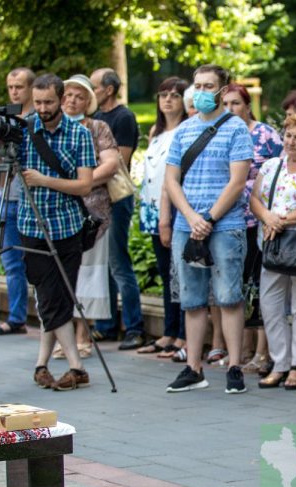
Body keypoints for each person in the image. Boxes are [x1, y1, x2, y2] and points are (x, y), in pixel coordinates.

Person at [164, 64, 253, 394]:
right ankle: (193, 367)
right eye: (197, 85)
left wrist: (210, 218)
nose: (201, 92)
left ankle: (233, 367)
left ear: (223, 89)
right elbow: (171, 180)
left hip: (224, 225)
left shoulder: (235, 129)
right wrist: (190, 217)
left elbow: (238, 181)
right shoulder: (184, 130)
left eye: (208, 86)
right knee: (192, 299)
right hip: (187, 226)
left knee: (229, 297)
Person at [7, 74, 95, 390]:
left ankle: (41, 364)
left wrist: (45, 180)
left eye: (48, 102)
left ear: (60, 99)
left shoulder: (79, 135)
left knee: (58, 298)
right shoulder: (24, 129)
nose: (42, 109)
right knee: (48, 296)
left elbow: (85, 184)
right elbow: (5, 169)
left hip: (68, 225)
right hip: (32, 226)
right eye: (38, 102)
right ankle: (75, 366)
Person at [251, 112, 296, 390]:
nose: (291, 142)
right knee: (270, 305)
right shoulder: (272, 165)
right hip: (271, 242)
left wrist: (280, 220)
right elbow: (255, 199)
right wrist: (267, 218)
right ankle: (279, 362)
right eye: (288, 135)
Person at [52, 74, 120, 361]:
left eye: (79, 96)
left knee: (89, 274)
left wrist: (80, 181)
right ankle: (60, 335)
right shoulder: (50, 128)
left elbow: (111, 164)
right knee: (58, 275)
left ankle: (83, 335)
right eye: (67, 95)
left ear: (89, 101)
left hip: (91, 212)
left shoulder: (98, 127)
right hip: (55, 210)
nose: (72, 100)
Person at [222, 83, 282, 371]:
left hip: (258, 220)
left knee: (258, 285)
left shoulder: (266, 134)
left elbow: (282, 172)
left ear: (247, 105)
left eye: (236, 103)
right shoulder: (220, 133)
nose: (231, 109)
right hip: (228, 219)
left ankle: (261, 352)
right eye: (226, 104)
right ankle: (240, 350)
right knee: (238, 285)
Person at [89, 67, 145, 349]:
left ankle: (134, 328)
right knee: (104, 263)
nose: (91, 91)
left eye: (94, 86)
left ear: (108, 89)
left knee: (119, 263)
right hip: (98, 199)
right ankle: (106, 325)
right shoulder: (96, 118)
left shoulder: (123, 117)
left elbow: (118, 162)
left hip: (116, 198)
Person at [137, 77, 189, 357]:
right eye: (163, 94)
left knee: (179, 274)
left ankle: (182, 334)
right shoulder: (156, 132)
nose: (168, 99)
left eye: (174, 95)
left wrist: (167, 216)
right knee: (165, 274)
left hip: (174, 211)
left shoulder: (185, 131)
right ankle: (168, 331)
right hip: (152, 208)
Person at [0, 67, 34, 336]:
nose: (14, 92)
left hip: (23, 197)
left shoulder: (32, 122)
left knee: (14, 260)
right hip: (2, 195)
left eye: (19, 87)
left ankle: (17, 318)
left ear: (29, 88)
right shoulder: (4, 121)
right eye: (11, 87)